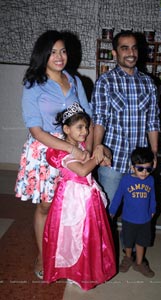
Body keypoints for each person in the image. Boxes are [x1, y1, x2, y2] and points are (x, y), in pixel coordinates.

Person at [14, 30, 108, 280]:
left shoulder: (75, 81)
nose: (59, 56)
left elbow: (86, 117)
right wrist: (71, 149)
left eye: (63, 51)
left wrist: (86, 148)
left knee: (70, 206)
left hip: (75, 148)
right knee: (46, 206)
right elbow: (35, 129)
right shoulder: (33, 84)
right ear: (43, 54)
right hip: (45, 151)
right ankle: (43, 255)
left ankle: (68, 254)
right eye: (53, 51)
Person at [43, 102, 116, 290]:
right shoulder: (61, 151)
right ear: (66, 129)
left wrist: (102, 152)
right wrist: (97, 155)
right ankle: (71, 270)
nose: (84, 132)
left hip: (87, 197)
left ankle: (85, 270)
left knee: (87, 235)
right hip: (71, 200)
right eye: (80, 127)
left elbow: (98, 154)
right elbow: (83, 170)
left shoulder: (81, 145)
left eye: (86, 127)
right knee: (71, 236)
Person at [91, 30, 160, 205]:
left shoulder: (148, 83)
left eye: (134, 48)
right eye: (125, 48)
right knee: (108, 210)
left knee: (137, 209)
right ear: (115, 53)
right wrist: (98, 147)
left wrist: (153, 152)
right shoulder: (105, 82)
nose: (131, 53)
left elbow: (153, 121)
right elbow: (99, 119)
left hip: (140, 162)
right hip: (112, 160)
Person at [109, 147, 156, 278]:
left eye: (148, 169)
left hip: (145, 219)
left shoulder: (150, 180)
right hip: (128, 219)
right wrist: (112, 211)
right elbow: (118, 196)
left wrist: (153, 209)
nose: (144, 172)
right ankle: (128, 258)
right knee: (128, 242)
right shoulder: (126, 180)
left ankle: (140, 263)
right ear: (132, 167)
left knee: (142, 242)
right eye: (140, 168)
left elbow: (153, 196)